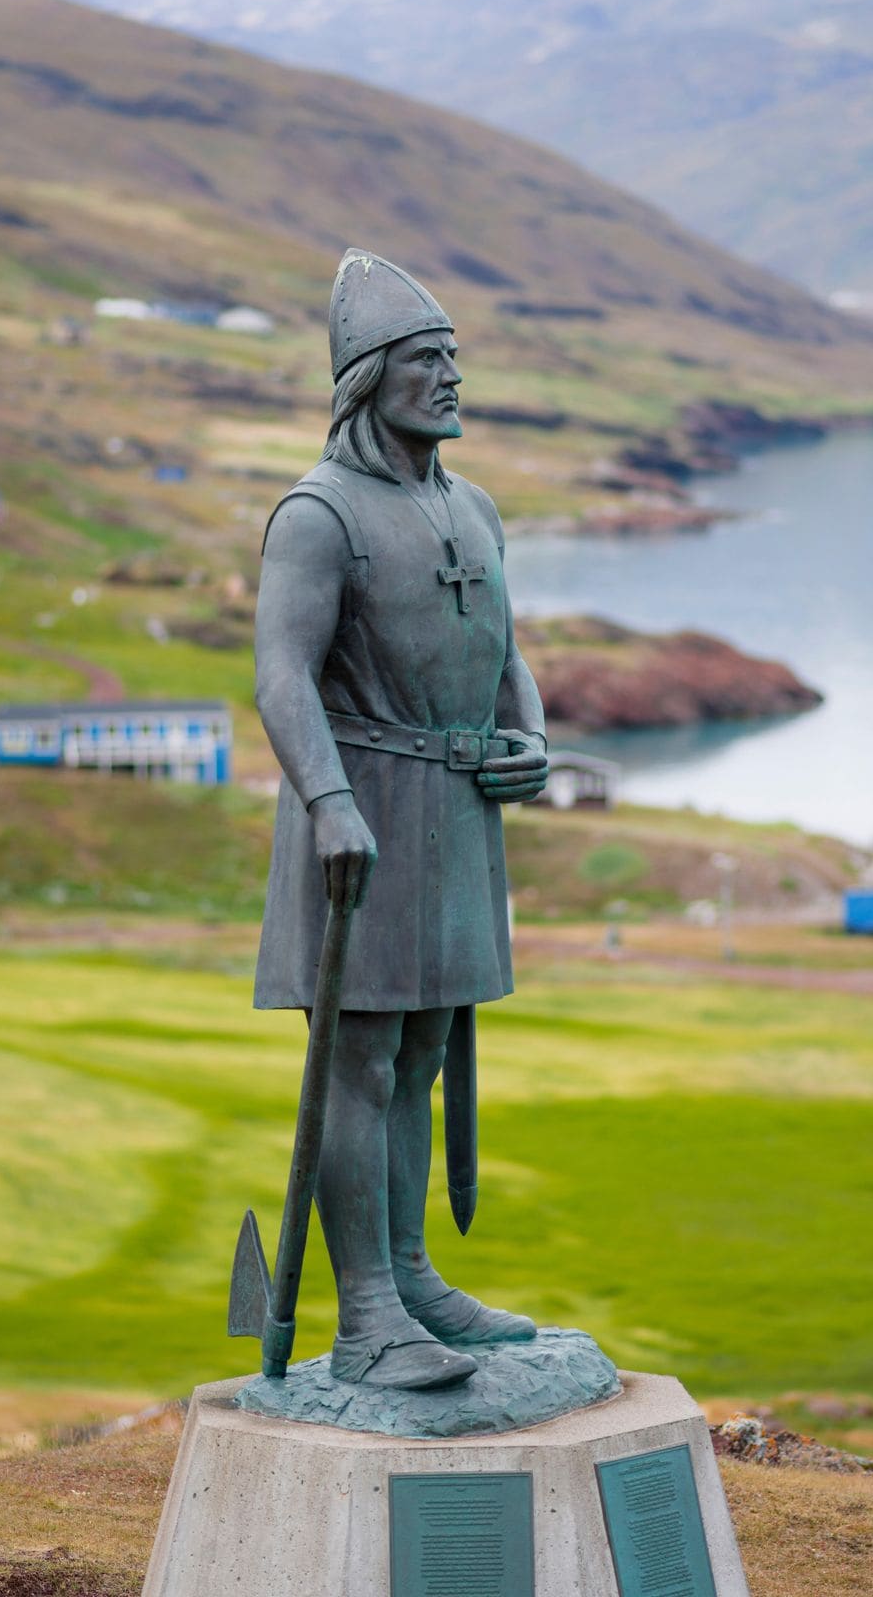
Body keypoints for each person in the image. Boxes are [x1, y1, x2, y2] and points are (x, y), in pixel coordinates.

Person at [253, 250, 549, 1391]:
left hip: (460, 813)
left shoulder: (471, 508)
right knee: (361, 1058)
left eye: (455, 360)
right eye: (427, 360)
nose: (449, 379)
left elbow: (506, 653)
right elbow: (281, 673)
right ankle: (366, 1313)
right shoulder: (318, 515)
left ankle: (413, 1276)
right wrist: (328, 800)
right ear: (367, 376)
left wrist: (524, 733)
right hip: (365, 811)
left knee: (426, 1048)